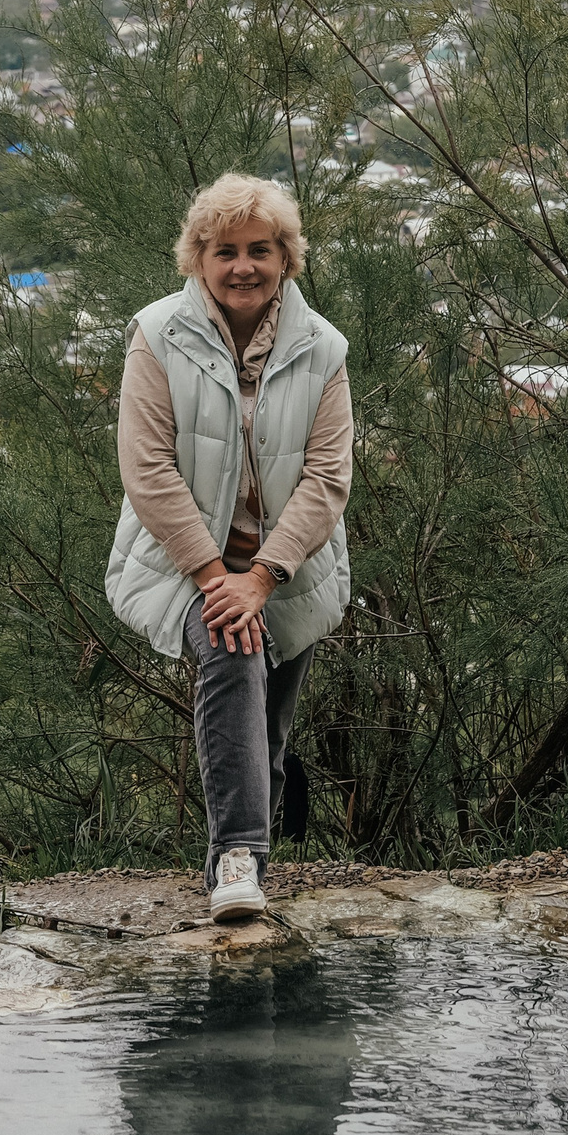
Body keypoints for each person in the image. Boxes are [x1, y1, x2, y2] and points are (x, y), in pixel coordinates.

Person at [107, 173, 355, 922]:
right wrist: (221, 580)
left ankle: (259, 846)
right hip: (189, 563)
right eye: (225, 251)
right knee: (232, 649)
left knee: (268, 733)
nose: (243, 265)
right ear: (198, 259)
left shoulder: (323, 349)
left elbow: (327, 476)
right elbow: (146, 469)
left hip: (290, 565)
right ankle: (236, 859)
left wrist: (265, 575)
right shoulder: (156, 335)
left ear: (286, 257)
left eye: (260, 249)